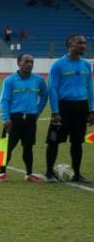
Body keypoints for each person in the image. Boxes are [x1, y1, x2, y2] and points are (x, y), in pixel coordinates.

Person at [44, 34, 93, 183]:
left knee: (77, 142)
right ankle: (49, 173)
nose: (83, 45)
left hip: (81, 107)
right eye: (79, 43)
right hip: (63, 107)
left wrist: (91, 109)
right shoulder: (58, 65)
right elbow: (52, 88)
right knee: (53, 141)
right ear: (69, 44)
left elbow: (89, 87)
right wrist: (55, 111)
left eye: (84, 43)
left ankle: (77, 174)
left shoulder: (86, 65)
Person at [0, 53, 49, 182]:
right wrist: (6, 118)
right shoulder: (10, 80)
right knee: (8, 147)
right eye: (26, 62)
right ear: (19, 63)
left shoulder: (38, 80)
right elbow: (4, 100)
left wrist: (37, 111)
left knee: (28, 147)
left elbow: (44, 95)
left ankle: (29, 174)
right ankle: (2, 172)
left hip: (31, 119)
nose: (30, 64)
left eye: (31, 62)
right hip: (14, 119)